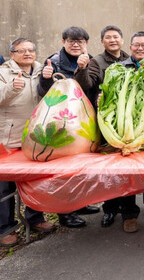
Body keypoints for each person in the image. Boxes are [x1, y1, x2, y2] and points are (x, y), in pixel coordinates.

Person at [38, 26, 99, 228]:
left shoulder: (90, 59)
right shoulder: (52, 61)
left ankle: (80, 204)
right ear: (63, 41)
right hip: (60, 121)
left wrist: (83, 68)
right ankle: (65, 213)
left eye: (80, 41)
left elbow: (89, 87)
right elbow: (43, 91)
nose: (75, 44)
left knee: (81, 167)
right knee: (64, 169)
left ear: (86, 43)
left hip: (83, 120)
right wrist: (46, 78)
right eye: (71, 41)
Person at [1, 38, 56, 247]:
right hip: (8, 139)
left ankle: (36, 219)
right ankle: (6, 228)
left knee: (34, 182)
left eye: (31, 50)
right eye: (21, 50)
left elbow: (50, 96)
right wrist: (12, 89)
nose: (27, 53)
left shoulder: (44, 70)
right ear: (12, 53)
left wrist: (48, 80)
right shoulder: (3, 73)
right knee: (4, 187)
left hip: (35, 138)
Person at [74, 25, 130, 229]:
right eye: (108, 37)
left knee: (128, 170)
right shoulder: (96, 62)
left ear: (122, 40)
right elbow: (85, 84)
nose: (113, 40)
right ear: (102, 42)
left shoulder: (130, 60)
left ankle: (129, 210)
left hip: (127, 121)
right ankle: (110, 209)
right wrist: (82, 68)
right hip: (107, 123)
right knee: (109, 170)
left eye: (116, 36)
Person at [113, 31, 144, 233]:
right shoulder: (120, 68)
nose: (141, 48)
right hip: (127, 128)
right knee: (128, 171)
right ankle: (129, 213)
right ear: (130, 46)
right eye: (137, 45)